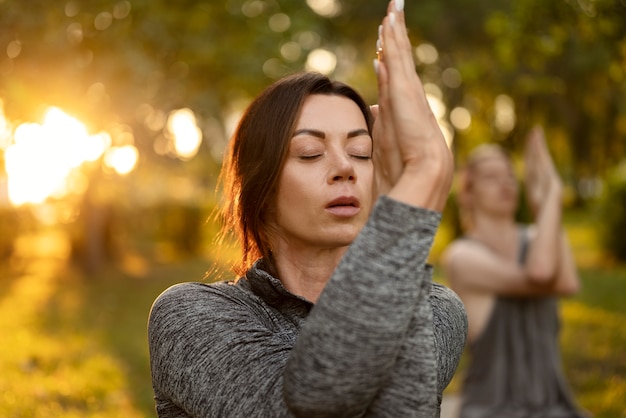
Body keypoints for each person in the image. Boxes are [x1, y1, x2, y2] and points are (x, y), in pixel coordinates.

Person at [148, 1, 467, 416]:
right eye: (310, 153)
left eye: (361, 151)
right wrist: (425, 173)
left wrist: (400, 195)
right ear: (259, 189)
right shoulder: (190, 316)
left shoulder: (436, 310)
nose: (344, 169)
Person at [441, 128, 589, 417]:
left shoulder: (537, 239)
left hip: (553, 405)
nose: (505, 182)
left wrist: (541, 206)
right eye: (491, 177)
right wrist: (552, 195)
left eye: (509, 174)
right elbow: (542, 274)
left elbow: (568, 283)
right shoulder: (461, 257)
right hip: (492, 408)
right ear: (468, 192)